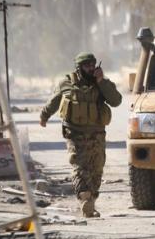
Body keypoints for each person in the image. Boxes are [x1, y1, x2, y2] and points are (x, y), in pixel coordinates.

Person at [40, 52, 122, 218]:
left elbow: (116, 100)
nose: (91, 68)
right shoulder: (67, 83)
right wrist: (44, 116)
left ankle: (91, 200)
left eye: (92, 65)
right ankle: (84, 198)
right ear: (79, 68)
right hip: (75, 133)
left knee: (96, 168)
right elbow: (54, 101)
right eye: (87, 66)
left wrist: (101, 81)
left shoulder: (101, 83)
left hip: (97, 134)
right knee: (79, 166)